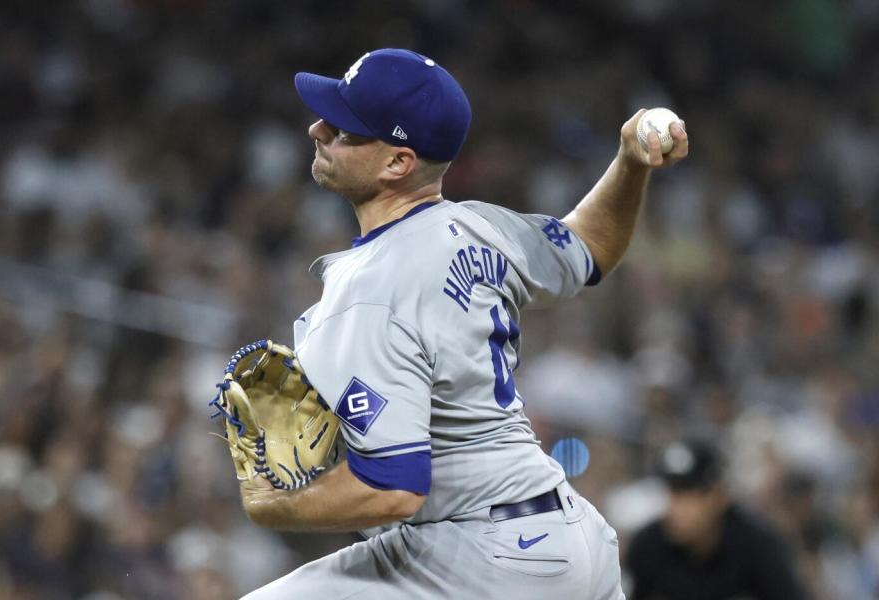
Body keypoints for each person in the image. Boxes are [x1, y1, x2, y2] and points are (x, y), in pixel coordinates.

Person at [237, 48, 688, 599]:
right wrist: (630, 163)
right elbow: (591, 247)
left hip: (483, 558)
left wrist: (271, 503)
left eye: (344, 129)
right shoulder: (480, 227)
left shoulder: (370, 290)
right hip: (571, 537)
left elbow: (392, 491)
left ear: (398, 163)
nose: (317, 129)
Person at [626, 440, 809, 600]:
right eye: (673, 493)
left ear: (720, 496)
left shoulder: (758, 546)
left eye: (689, 493)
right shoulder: (648, 545)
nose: (676, 508)